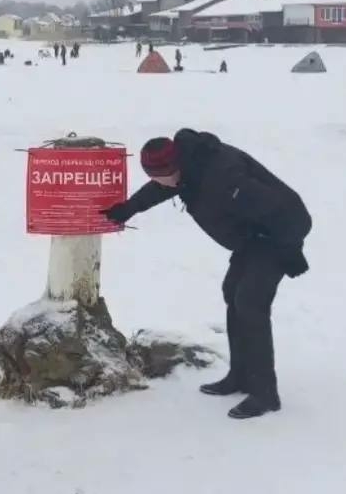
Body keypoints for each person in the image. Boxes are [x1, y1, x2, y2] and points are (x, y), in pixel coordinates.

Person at [101, 131, 312, 420]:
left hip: (275, 236)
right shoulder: (188, 167)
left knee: (250, 302)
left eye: (160, 177)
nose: (160, 184)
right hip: (252, 239)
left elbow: (282, 209)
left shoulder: (224, 177)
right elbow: (163, 188)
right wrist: (128, 209)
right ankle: (240, 375)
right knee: (233, 293)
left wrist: (290, 250)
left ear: (174, 168)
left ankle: (265, 394)